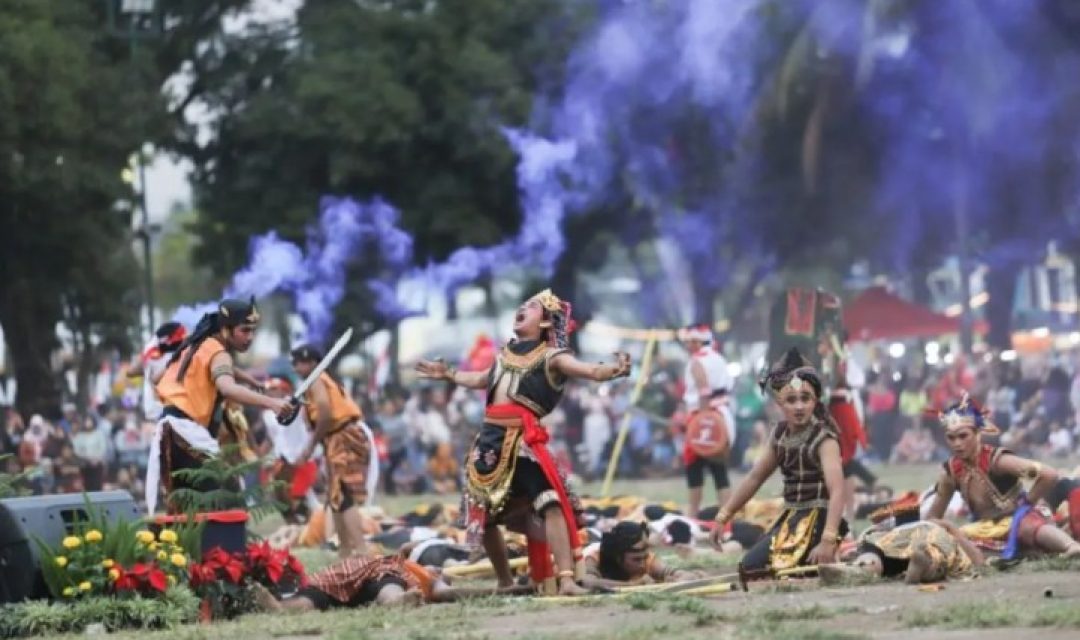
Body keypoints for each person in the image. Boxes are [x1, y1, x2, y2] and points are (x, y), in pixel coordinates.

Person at [415, 289, 632, 596]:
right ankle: (504, 581)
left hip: (523, 442)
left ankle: (567, 580)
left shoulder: (552, 356)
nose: (521, 308)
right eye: (522, 305)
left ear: (545, 323)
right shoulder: (504, 354)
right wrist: (448, 374)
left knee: (551, 504)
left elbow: (589, 370)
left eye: (531, 307)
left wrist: (613, 371)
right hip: (490, 442)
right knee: (486, 516)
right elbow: (481, 379)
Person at [145, 298, 292, 515]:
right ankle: (222, 549)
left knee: (190, 509)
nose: (250, 337)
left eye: (253, 331)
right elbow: (227, 388)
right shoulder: (217, 352)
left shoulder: (197, 343)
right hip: (187, 433)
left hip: (172, 432)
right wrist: (273, 403)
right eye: (244, 330)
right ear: (225, 329)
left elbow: (157, 376)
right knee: (226, 500)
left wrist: (249, 380)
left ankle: (191, 549)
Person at [710, 348, 847, 576]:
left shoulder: (825, 439)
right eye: (791, 400)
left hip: (821, 521)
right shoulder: (779, 435)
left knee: (787, 572)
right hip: (791, 518)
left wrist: (828, 539)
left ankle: (836, 559)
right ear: (779, 403)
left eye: (805, 398)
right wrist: (722, 517)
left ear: (815, 401)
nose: (799, 406)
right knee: (751, 568)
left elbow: (837, 491)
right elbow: (755, 478)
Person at [925, 394, 1080, 559]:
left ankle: (1070, 546)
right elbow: (932, 518)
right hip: (986, 529)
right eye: (951, 437)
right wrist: (947, 528)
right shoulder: (950, 472)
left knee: (1025, 526)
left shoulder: (998, 461)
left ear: (977, 434)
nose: (957, 443)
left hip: (1022, 519)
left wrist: (1025, 504)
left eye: (963, 436)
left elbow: (1049, 475)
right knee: (959, 539)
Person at [291, 344, 379, 558]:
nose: (296, 368)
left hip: (343, 436)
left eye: (300, 363)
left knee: (344, 494)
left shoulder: (317, 379)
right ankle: (345, 549)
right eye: (295, 363)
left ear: (312, 363)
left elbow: (326, 414)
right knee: (335, 496)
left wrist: (311, 445)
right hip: (335, 439)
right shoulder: (315, 383)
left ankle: (360, 549)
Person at [679, 325, 736, 519]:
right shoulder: (719, 359)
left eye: (689, 342)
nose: (687, 346)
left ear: (697, 342)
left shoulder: (697, 361)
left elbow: (704, 391)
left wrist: (702, 423)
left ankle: (692, 517)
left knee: (694, 470)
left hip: (703, 418)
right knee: (720, 472)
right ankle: (726, 518)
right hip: (722, 416)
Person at [262, 375, 319, 523]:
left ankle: (312, 525)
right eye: (268, 390)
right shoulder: (267, 414)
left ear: (284, 391)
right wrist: (259, 455)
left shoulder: (297, 406)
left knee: (299, 496)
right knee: (280, 497)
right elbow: (270, 438)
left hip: (302, 458)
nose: (270, 392)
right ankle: (294, 525)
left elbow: (310, 422)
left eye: (274, 389)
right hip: (283, 459)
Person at [582, 521, 698, 588]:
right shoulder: (595, 556)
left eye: (644, 557)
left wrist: (675, 582)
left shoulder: (647, 559)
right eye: (636, 560)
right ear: (618, 557)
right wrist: (632, 584)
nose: (642, 564)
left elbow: (688, 576)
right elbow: (588, 582)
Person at [128, 322, 187, 421]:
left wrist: (149, 348)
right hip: (167, 412)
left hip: (153, 412)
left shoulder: (150, 354)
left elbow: (131, 371)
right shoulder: (176, 357)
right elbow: (154, 378)